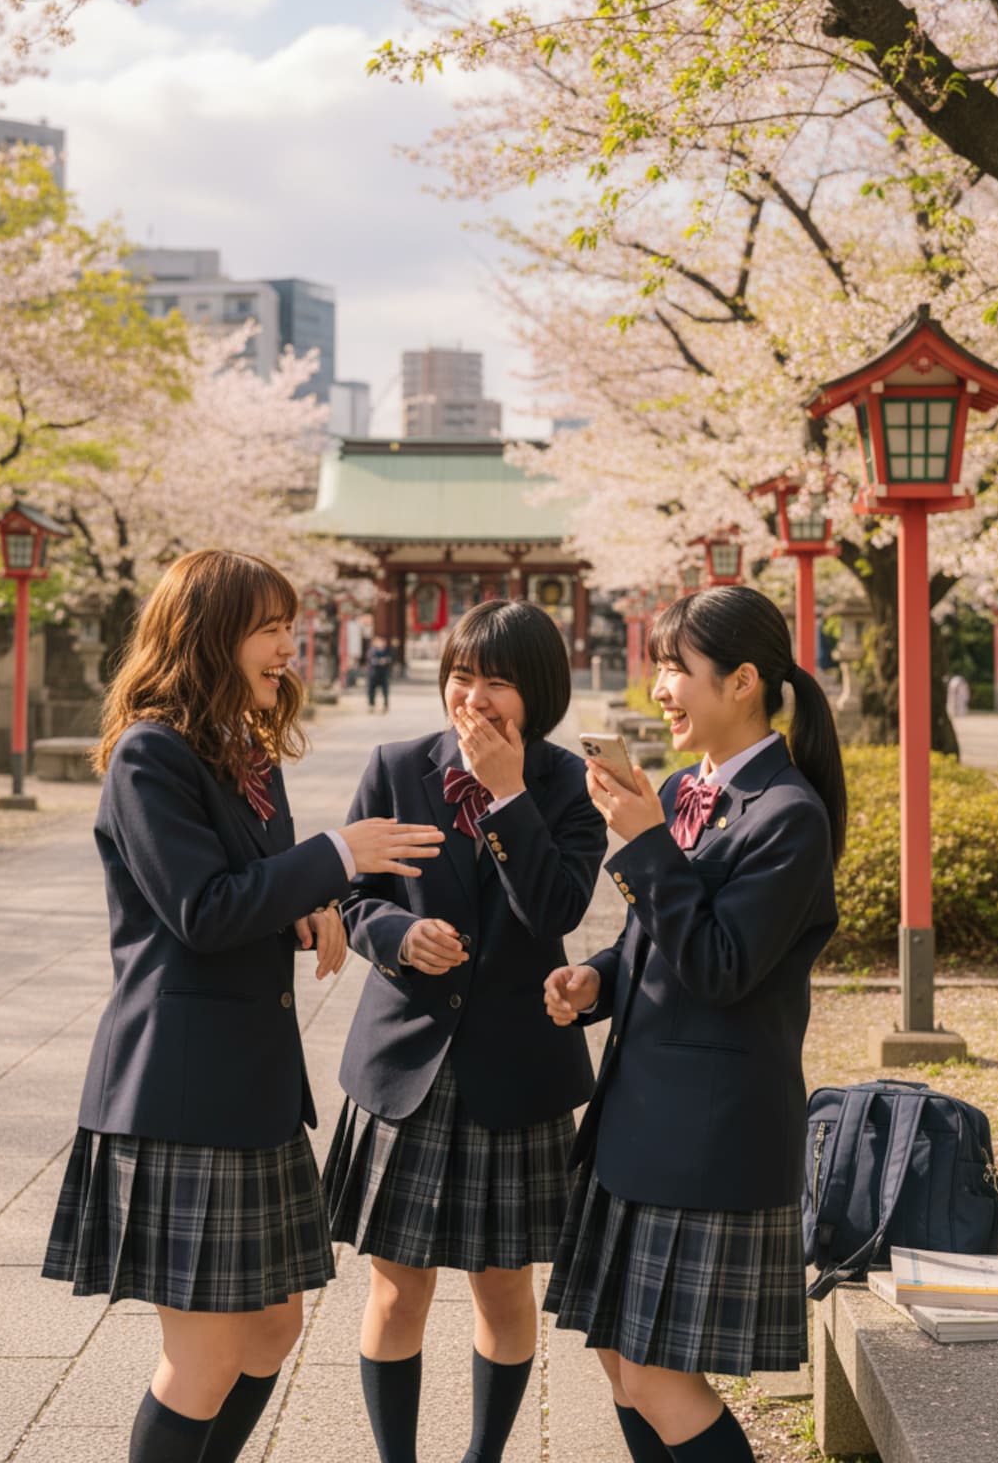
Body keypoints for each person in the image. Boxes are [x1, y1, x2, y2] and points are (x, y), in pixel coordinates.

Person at [42, 548, 444, 1463]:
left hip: (247, 1088)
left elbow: (246, 888)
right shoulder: (150, 754)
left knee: (271, 1330)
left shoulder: (244, 752)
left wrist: (306, 906)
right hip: (180, 1092)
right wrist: (337, 856)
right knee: (207, 1356)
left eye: (289, 628)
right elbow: (200, 908)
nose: (288, 648)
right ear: (209, 636)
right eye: (269, 630)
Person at [542, 585, 845, 1463]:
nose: (660, 689)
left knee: (656, 1376)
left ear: (744, 681)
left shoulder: (789, 816)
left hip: (709, 1135)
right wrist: (596, 981)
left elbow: (720, 966)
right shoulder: (684, 788)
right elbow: (655, 941)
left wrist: (644, 843)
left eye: (677, 668)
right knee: (618, 1359)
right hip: (643, 1119)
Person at [324, 598, 608, 1463]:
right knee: (395, 1288)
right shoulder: (397, 766)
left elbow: (556, 909)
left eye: (497, 683)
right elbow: (352, 895)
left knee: (503, 1288)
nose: (473, 698)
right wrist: (397, 936)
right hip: (405, 1061)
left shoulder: (570, 784)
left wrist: (509, 794)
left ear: (539, 693)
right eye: (461, 676)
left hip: (515, 1068)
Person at [367, 635, 393, 712]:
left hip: (383, 673)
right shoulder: (372, 651)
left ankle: (385, 705)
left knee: (385, 691)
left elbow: (390, 659)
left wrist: (385, 661)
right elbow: (371, 661)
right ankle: (371, 705)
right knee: (372, 691)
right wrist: (380, 661)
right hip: (373, 674)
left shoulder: (386, 650)